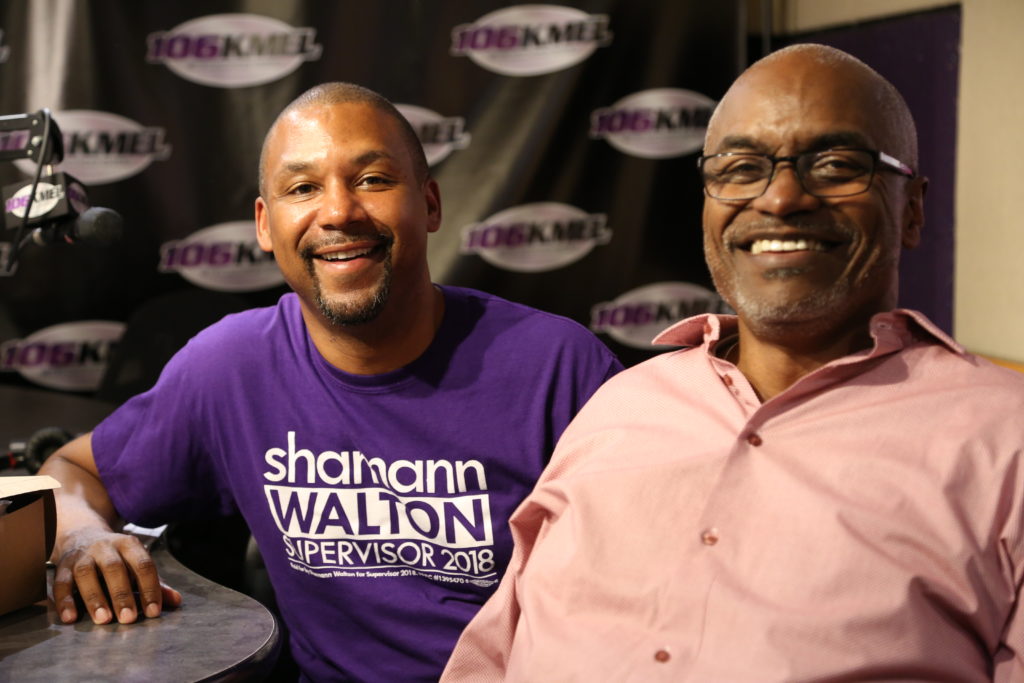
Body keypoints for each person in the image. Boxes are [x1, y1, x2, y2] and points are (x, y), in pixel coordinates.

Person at [442, 43, 1024, 681]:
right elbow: (494, 652)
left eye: (835, 164)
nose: (781, 198)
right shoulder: (619, 407)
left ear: (912, 207)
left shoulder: (1005, 440)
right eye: (742, 168)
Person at [39, 82, 622, 681]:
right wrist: (83, 536)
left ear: (429, 204)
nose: (339, 212)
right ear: (266, 225)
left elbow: (652, 572)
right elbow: (73, 472)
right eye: (303, 189)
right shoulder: (232, 368)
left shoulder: (559, 367)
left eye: (372, 180)